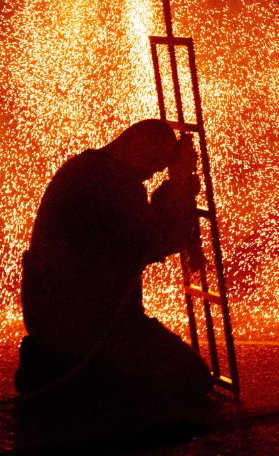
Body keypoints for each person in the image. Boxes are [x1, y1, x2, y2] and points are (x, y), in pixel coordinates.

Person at [14, 120, 213, 409]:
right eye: (153, 165)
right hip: (88, 325)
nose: (150, 175)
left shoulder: (89, 170)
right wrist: (180, 184)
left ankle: (59, 365)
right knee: (190, 378)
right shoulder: (112, 182)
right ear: (135, 146)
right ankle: (72, 376)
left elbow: (131, 235)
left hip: (59, 318)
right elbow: (157, 242)